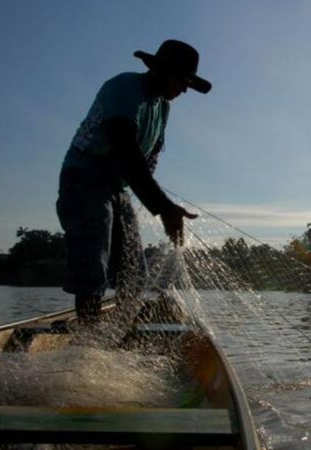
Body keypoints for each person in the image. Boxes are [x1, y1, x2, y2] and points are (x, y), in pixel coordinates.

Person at [56, 40, 208, 322]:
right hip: (83, 178)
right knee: (93, 258)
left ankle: (121, 329)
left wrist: (161, 205)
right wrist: (163, 206)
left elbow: (146, 161)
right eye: (183, 80)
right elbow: (125, 150)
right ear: (161, 71)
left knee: (134, 271)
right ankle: (88, 339)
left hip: (116, 187)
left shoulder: (163, 107)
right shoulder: (125, 88)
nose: (185, 89)